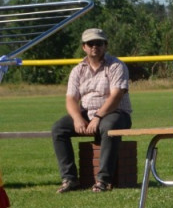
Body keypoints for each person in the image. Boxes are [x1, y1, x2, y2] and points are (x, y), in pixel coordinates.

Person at [52, 28, 133, 193]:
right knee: (58, 128)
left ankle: (103, 180)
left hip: (116, 113)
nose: (94, 46)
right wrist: (77, 118)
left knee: (107, 127)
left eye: (99, 43)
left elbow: (116, 96)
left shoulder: (117, 66)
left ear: (106, 46)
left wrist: (97, 117)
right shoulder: (78, 70)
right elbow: (71, 99)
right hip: (88, 112)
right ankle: (69, 179)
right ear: (84, 47)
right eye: (90, 43)